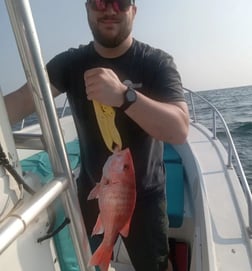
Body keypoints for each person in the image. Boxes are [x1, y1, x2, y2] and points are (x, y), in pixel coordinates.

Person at [5, 1, 189, 270]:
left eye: (121, 2)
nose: (110, 9)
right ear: (88, 9)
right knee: (89, 263)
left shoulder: (155, 62)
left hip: (146, 198)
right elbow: (22, 100)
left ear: (133, 11)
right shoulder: (71, 63)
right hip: (93, 191)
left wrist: (124, 96)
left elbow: (179, 129)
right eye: (100, 1)